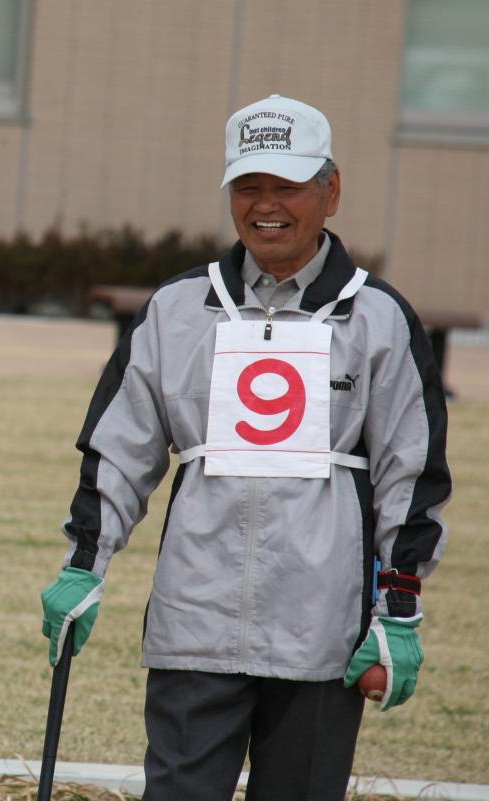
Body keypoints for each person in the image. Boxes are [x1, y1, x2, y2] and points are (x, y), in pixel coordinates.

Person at [40, 94, 450, 801]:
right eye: (249, 186)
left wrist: (401, 608)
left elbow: (408, 472)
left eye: (287, 185)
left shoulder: (378, 317)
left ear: (332, 190)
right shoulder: (176, 309)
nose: (267, 204)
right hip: (193, 624)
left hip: (322, 635)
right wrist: (84, 564)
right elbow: (121, 446)